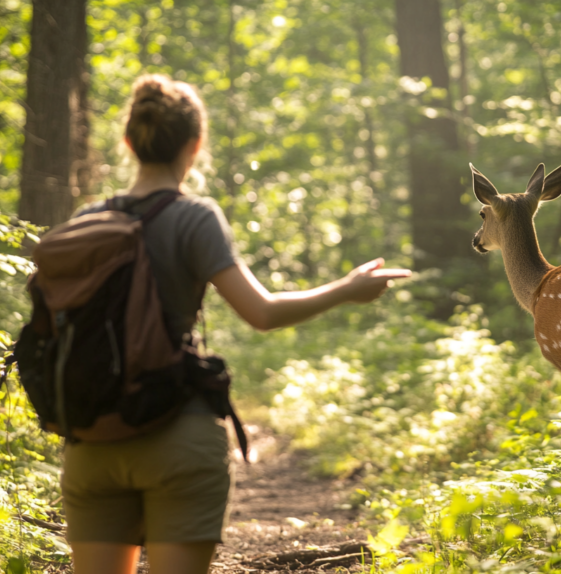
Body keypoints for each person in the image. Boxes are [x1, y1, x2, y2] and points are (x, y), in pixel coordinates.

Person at [61, 74, 410, 574]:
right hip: (175, 433)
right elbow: (262, 313)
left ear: (128, 142)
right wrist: (346, 290)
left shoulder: (88, 219)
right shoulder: (195, 218)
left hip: (90, 438)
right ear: (195, 144)